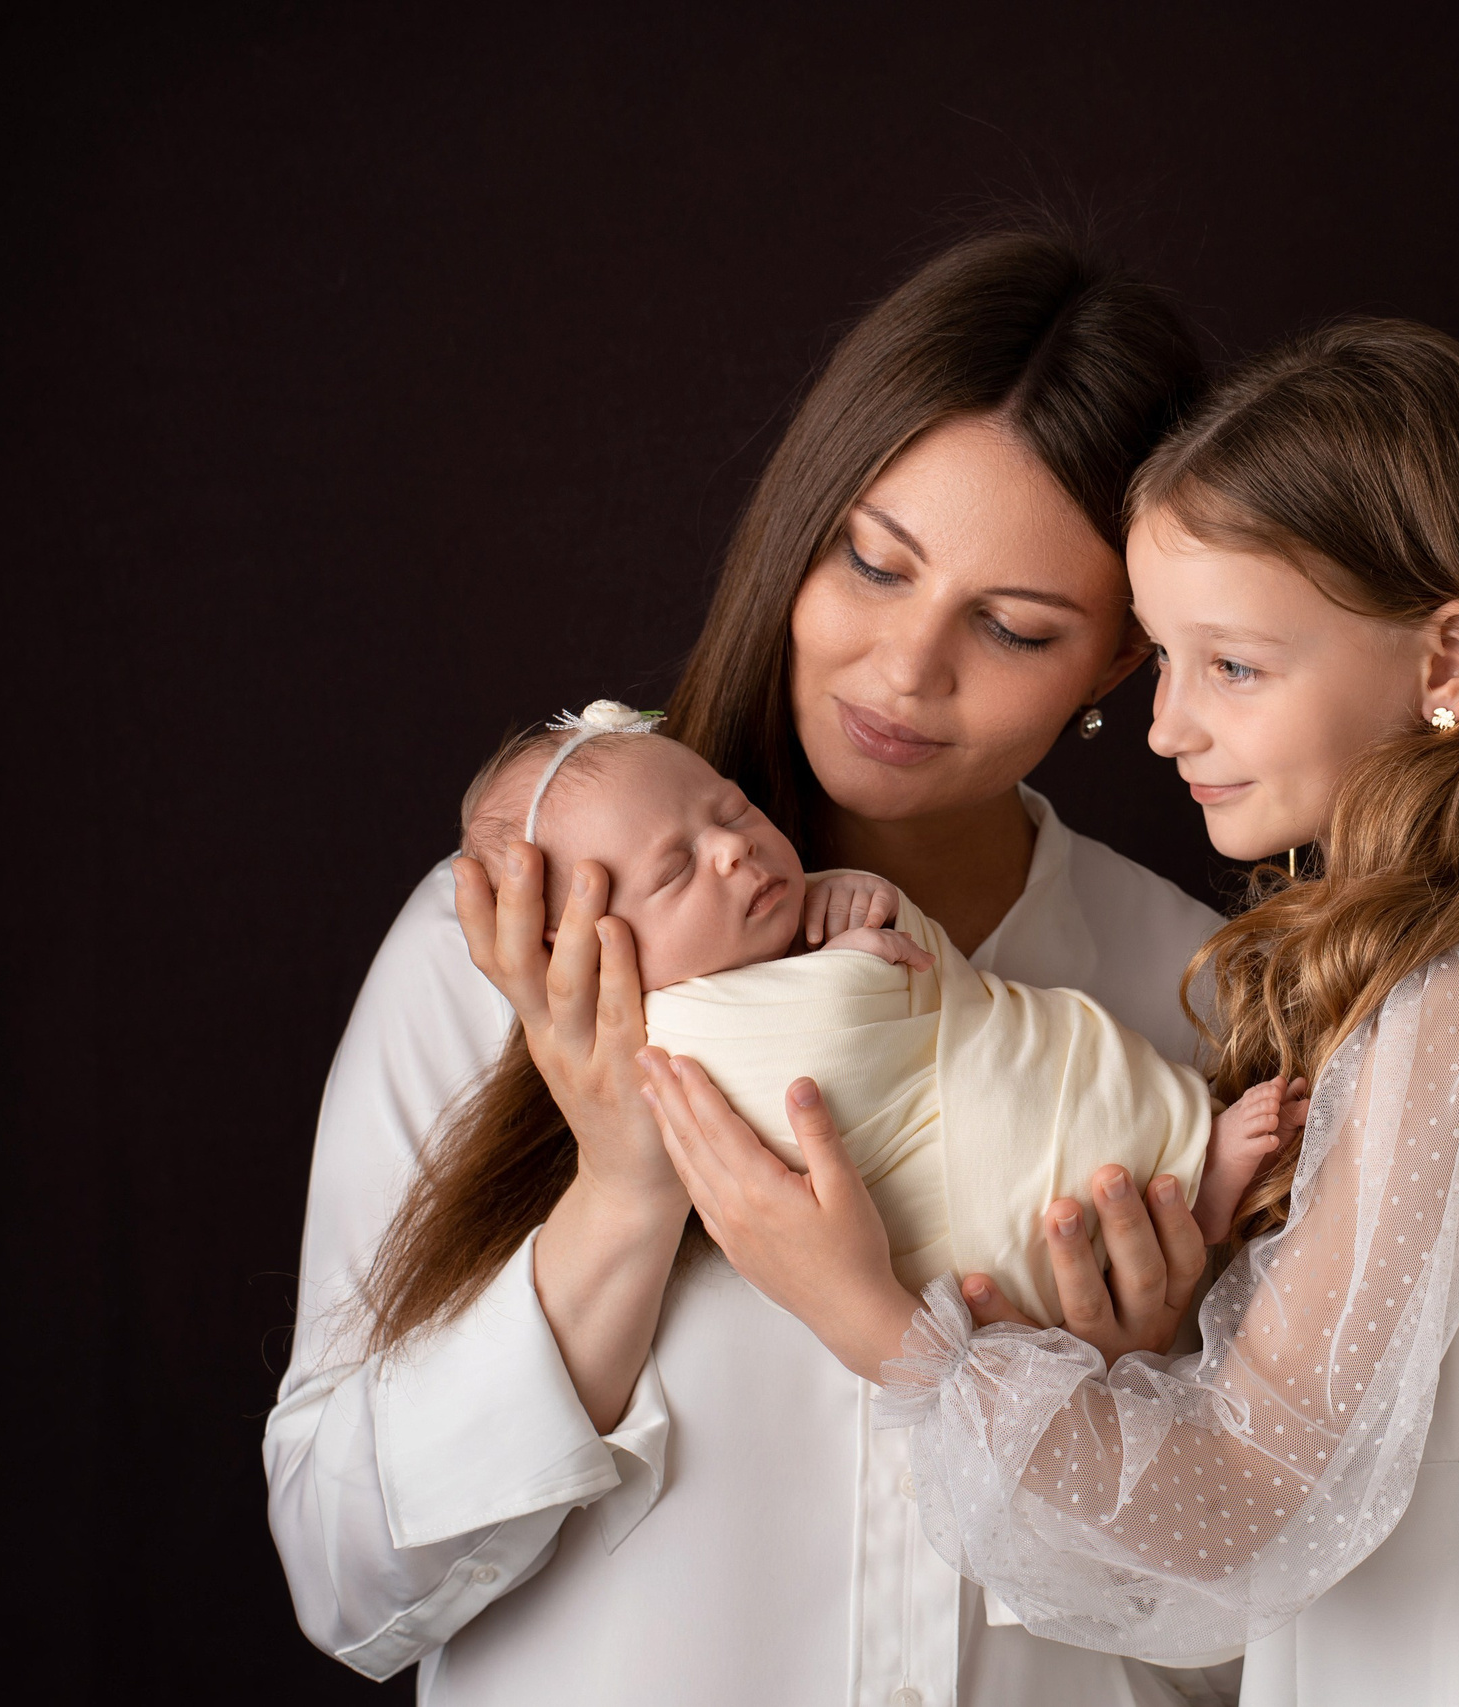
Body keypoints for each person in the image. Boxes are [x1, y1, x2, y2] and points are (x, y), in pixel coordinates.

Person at [640, 321, 1459, 1705]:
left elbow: (1247, 1500)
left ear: (1447, 667)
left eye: (1233, 665)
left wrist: (869, 1318)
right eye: (1162, 657)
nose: (1167, 726)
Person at [265, 229, 1250, 1705]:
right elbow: (346, 1580)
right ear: (799, 526)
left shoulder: (1196, 994)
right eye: (873, 562)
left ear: (1119, 662)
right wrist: (623, 1195)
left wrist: (1127, 1400)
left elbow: (1263, 1646)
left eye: (1013, 628)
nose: (905, 669)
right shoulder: (512, 952)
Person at [376, 706, 1293, 1335]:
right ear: (582, 938)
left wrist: (846, 901)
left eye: (733, 809)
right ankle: (1190, 1168)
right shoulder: (671, 1029)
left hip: (1028, 1135)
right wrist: (853, 959)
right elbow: (833, 1056)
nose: (732, 848)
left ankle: (1191, 1174)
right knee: (1040, 1142)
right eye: (674, 871)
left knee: (1075, 1062)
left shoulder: (1192, 952)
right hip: (971, 1226)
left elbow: (900, 958)